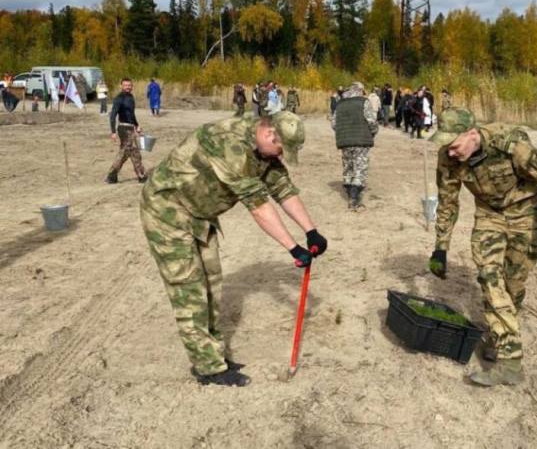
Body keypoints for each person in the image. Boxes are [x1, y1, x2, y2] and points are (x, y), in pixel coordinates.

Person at [140, 112, 326, 387]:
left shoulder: (263, 151)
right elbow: (259, 206)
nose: (280, 156)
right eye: (281, 149)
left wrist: (311, 230)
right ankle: (208, 368)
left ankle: (214, 354)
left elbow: (282, 188)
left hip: (199, 215)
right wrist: (293, 248)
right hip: (167, 211)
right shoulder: (230, 144)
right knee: (189, 290)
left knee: (211, 285)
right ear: (269, 135)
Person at [428, 108, 537, 386]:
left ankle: (498, 336)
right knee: (490, 278)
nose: (450, 152)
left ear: (471, 133)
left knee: (513, 287)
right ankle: (510, 362)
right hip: (489, 215)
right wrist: (441, 247)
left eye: (454, 145)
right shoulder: (449, 158)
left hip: (526, 214)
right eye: (446, 145)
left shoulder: (511, 146)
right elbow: (447, 202)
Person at [332, 82, 379, 209]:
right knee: (360, 168)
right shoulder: (364, 102)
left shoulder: (340, 104)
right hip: (360, 141)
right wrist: (373, 133)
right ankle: (354, 199)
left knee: (348, 167)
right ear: (360, 90)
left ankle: (349, 191)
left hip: (344, 142)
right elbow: (372, 121)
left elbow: (334, 124)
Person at [105, 78, 147, 184]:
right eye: (125, 85)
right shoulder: (119, 98)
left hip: (130, 127)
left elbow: (131, 114)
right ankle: (141, 176)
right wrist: (113, 132)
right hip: (123, 128)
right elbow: (113, 115)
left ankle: (112, 176)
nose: (128, 87)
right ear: (121, 86)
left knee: (128, 152)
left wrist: (137, 126)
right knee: (132, 152)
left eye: (129, 85)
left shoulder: (131, 97)